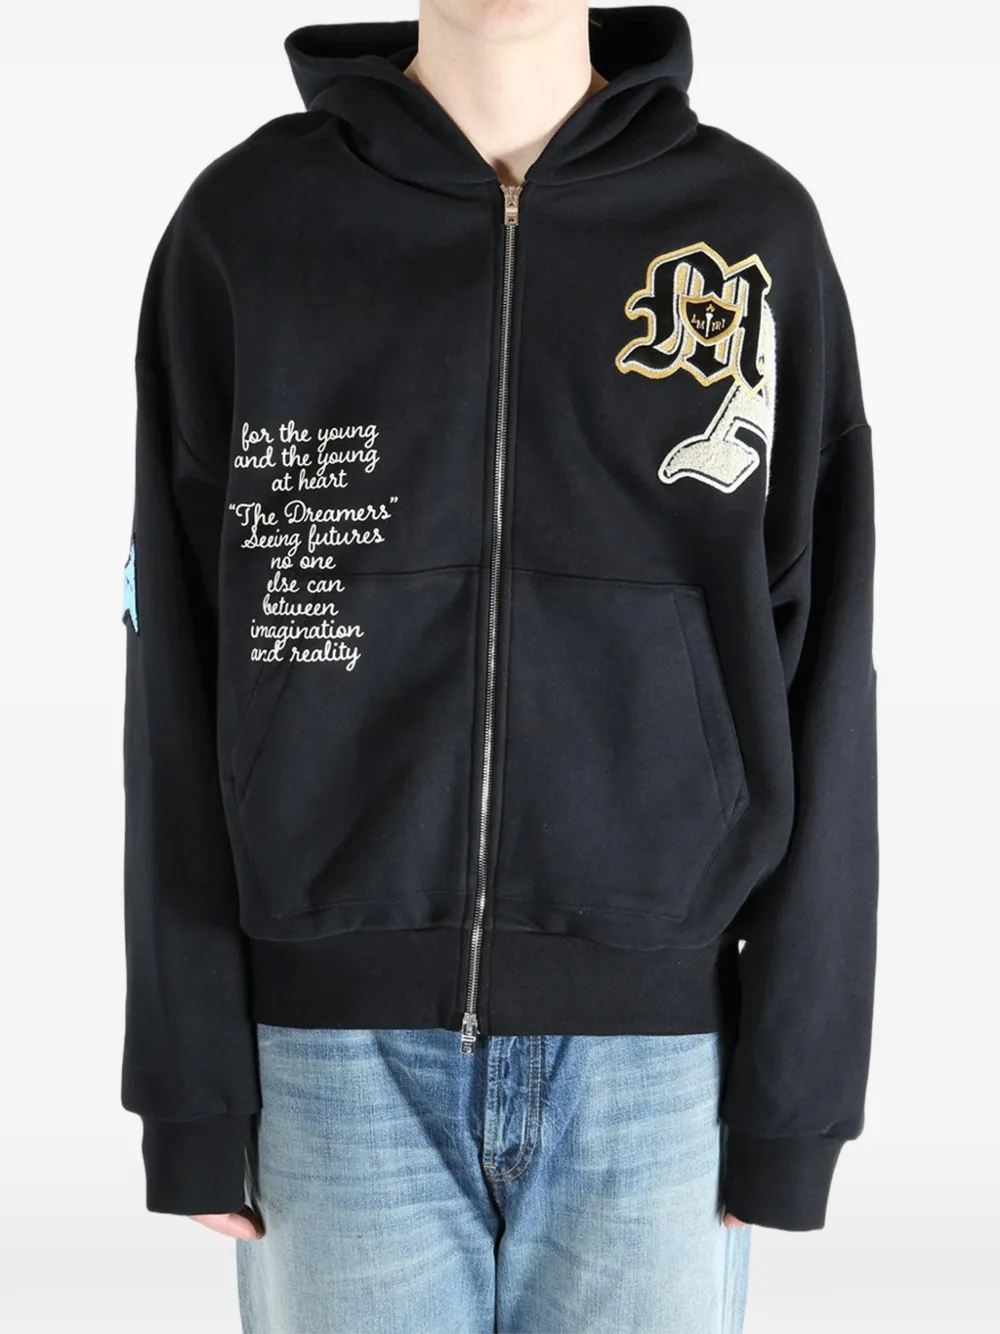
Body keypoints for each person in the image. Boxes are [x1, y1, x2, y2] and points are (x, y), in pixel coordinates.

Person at [120, 3, 878, 1331]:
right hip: (331, 1060)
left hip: (661, 1066)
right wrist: (189, 1084)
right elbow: (173, 664)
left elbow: (827, 665)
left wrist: (793, 1097)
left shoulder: (753, 232)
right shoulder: (249, 227)